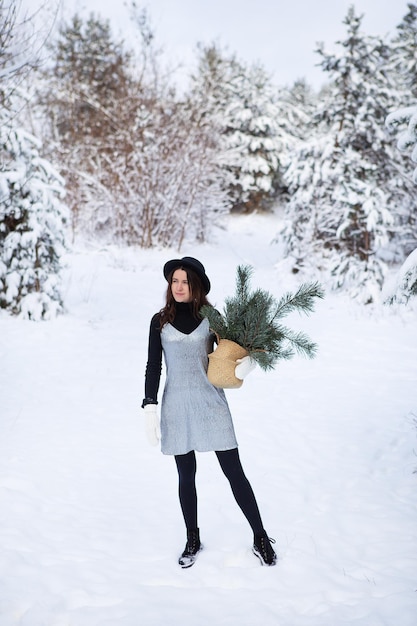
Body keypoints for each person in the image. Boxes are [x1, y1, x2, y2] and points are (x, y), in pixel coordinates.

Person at [142, 256, 277, 568]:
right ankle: (192, 537)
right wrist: (149, 404)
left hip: (211, 402)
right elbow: (153, 365)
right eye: (174, 281)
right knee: (186, 475)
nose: (178, 286)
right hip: (176, 404)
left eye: (185, 282)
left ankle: (260, 536)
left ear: (196, 286)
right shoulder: (158, 321)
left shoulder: (212, 317)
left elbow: (232, 352)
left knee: (234, 472)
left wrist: (248, 363)